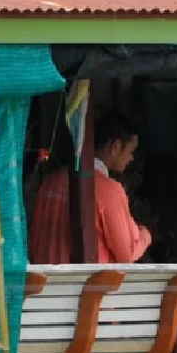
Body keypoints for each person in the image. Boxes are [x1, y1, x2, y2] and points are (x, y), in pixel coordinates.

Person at [29, 111, 152, 263]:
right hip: (86, 285)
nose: (131, 158)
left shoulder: (49, 183)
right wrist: (145, 235)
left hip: (46, 283)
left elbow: (33, 242)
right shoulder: (110, 191)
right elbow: (127, 254)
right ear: (115, 146)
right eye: (131, 151)